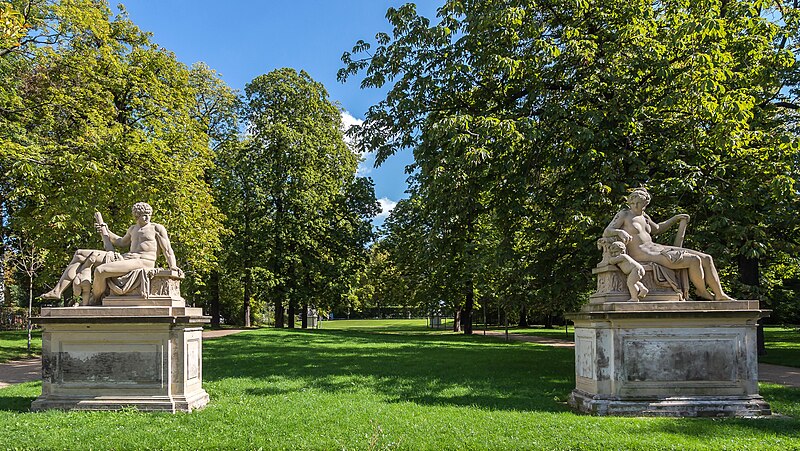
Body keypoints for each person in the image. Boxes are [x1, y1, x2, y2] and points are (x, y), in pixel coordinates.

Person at [603, 188, 733, 301]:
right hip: (644, 253)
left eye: (640, 204)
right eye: (633, 203)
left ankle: (720, 294)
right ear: (630, 202)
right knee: (694, 260)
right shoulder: (624, 214)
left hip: (657, 248)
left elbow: (658, 228)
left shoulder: (645, 217)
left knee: (707, 258)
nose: (636, 206)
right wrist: (619, 232)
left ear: (646, 204)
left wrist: (675, 219)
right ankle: (702, 291)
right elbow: (607, 231)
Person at [42, 202, 180, 305]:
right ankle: (57, 291)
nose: (147, 217)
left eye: (149, 214)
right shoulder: (133, 229)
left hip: (143, 261)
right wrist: (105, 230)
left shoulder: (157, 228)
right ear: (136, 216)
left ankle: (95, 300)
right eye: (143, 215)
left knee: (100, 271)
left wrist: (172, 266)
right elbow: (120, 242)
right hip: (127, 258)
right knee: (79, 254)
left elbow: (167, 249)